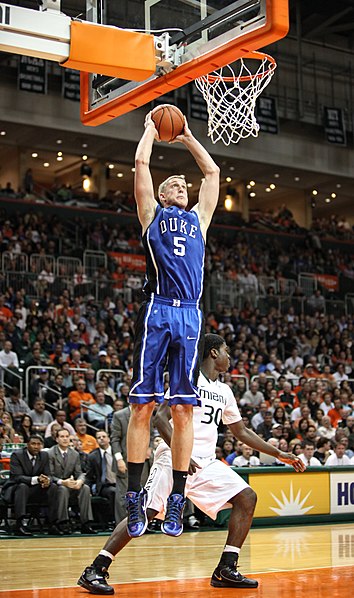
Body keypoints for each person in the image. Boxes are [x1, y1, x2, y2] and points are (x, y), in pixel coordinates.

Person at [78, 334, 305, 593]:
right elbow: (160, 419)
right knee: (144, 513)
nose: (230, 357)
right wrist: (180, 453)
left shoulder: (225, 391)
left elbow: (241, 432)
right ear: (213, 353)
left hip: (205, 463)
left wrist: (279, 454)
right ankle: (95, 569)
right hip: (173, 459)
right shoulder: (187, 380)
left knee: (246, 497)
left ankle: (226, 568)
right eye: (226, 351)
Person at [125, 110, 220, 538]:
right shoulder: (152, 215)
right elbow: (141, 165)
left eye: (185, 184)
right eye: (174, 184)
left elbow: (212, 171)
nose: (182, 185)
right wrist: (150, 130)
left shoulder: (199, 219)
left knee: (184, 409)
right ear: (162, 195)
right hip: (159, 309)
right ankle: (133, 498)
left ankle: (177, 498)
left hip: (190, 313)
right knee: (143, 404)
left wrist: (185, 136)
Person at [2, 434, 61, 536]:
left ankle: (53, 523)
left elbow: (49, 474)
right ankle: (20, 524)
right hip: (16, 490)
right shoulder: (17, 455)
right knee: (23, 486)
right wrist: (37, 479)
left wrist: (47, 480)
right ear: (27, 445)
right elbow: (17, 477)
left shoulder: (44, 455)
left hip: (36, 490)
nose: (36, 446)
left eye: (39, 444)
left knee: (53, 487)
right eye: (33, 444)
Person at [48, 428, 96, 534]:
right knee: (62, 489)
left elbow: (79, 473)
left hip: (70, 485)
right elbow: (49, 475)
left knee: (85, 488)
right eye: (62, 437)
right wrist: (62, 481)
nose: (65, 439)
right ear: (56, 439)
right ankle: (63, 522)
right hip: (55, 486)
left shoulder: (74, 454)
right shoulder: (50, 453)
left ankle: (86, 523)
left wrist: (79, 481)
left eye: (67, 436)